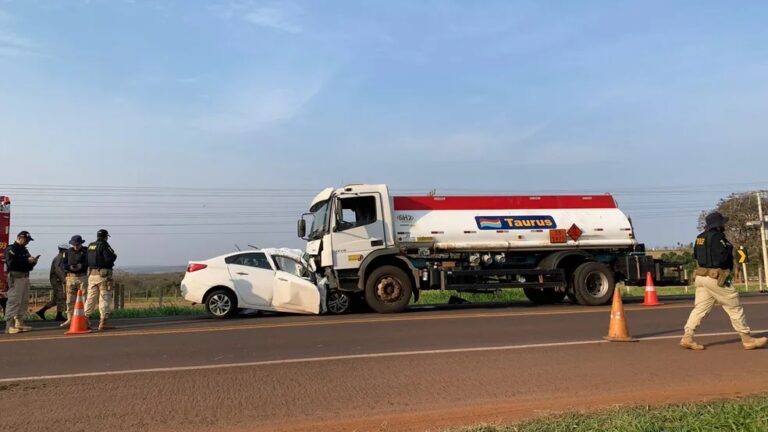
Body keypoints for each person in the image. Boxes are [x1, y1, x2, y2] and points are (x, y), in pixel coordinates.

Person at [680, 211, 768, 350]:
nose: (724, 225)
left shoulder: (699, 238)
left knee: (700, 308)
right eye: (722, 223)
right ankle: (747, 339)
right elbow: (724, 257)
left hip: (701, 277)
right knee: (734, 307)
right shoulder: (719, 237)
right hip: (716, 277)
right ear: (718, 224)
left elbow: (696, 255)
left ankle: (687, 337)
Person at [3, 231, 39, 334]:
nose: (27, 242)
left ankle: (19, 322)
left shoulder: (24, 250)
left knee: (23, 301)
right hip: (16, 278)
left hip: (25, 277)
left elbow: (27, 267)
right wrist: (27, 261)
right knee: (14, 301)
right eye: (26, 240)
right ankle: (9, 325)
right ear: (20, 238)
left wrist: (33, 262)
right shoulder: (11, 249)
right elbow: (12, 264)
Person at [85, 229, 117, 331]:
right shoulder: (104, 245)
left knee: (90, 298)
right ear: (105, 236)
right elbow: (110, 258)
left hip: (91, 275)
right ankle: (103, 322)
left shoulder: (90, 245)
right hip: (103, 276)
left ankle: (84, 321)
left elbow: (87, 259)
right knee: (104, 297)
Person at [60, 235, 89, 328]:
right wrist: (70, 267)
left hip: (82, 277)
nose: (76, 246)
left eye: (78, 244)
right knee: (70, 299)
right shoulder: (67, 253)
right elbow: (62, 265)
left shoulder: (86, 251)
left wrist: (81, 266)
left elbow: (89, 262)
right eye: (74, 244)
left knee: (85, 299)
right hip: (70, 278)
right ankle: (70, 318)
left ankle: (85, 319)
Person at [35, 243, 68, 321]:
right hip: (57, 281)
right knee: (61, 297)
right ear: (64, 250)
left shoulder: (59, 257)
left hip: (57, 280)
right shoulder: (59, 258)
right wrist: (63, 279)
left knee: (56, 299)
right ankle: (59, 315)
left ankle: (41, 311)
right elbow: (57, 269)